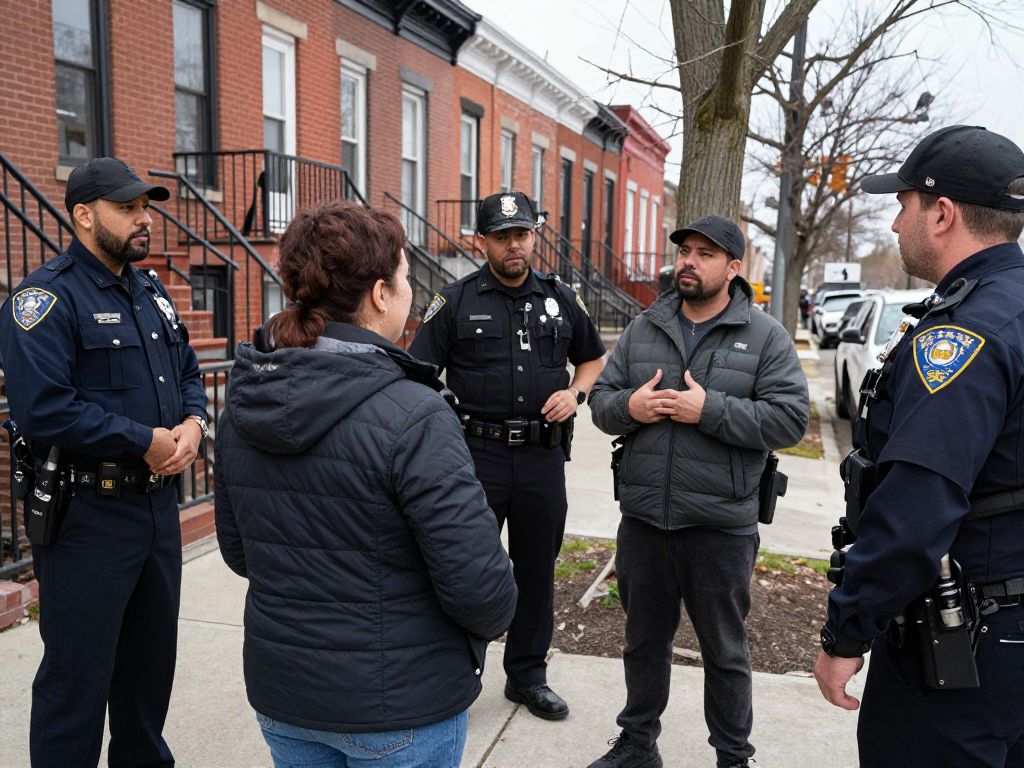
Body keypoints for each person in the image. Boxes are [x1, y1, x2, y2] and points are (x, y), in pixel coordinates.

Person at [214, 201, 517, 767]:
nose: (408, 292)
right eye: (405, 279)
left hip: (288, 697)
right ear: (380, 294)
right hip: (399, 708)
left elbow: (241, 553)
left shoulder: (243, 404)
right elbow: (481, 590)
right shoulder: (415, 414)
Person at [814, 125, 1024, 766]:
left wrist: (848, 629)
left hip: (964, 648)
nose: (894, 222)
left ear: (941, 213)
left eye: (902, 204)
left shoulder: (964, 334)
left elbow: (916, 506)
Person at [0, 157, 208, 767]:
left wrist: (195, 424)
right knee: (77, 682)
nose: (144, 219)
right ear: (84, 215)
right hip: (87, 518)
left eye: (146, 206)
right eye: (128, 208)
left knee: (148, 676)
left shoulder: (151, 291)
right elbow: (44, 410)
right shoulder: (44, 298)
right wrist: (142, 438)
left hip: (155, 512)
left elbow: (190, 373)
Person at [588, 214, 809, 768]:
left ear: (734, 269)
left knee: (725, 652)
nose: (689, 260)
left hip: (720, 527)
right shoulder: (646, 326)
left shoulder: (765, 336)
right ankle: (638, 745)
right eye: (686, 250)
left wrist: (708, 409)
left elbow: (789, 420)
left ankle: (734, 756)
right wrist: (629, 409)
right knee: (642, 644)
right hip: (643, 521)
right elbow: (602, 402)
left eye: (706, 253)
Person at [408, 191, 606, 721]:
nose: (514, 244)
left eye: (522, 234)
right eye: (502, 236)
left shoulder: (561, 298)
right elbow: (417, 372)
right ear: (482, 242)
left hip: (542, 459)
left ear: (533, 236)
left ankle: (527, 676)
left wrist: (576, 394)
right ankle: (453, 675)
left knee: (536, 570)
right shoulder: (455, 301)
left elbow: (592, 357)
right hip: (476, 458)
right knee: (462, 566)